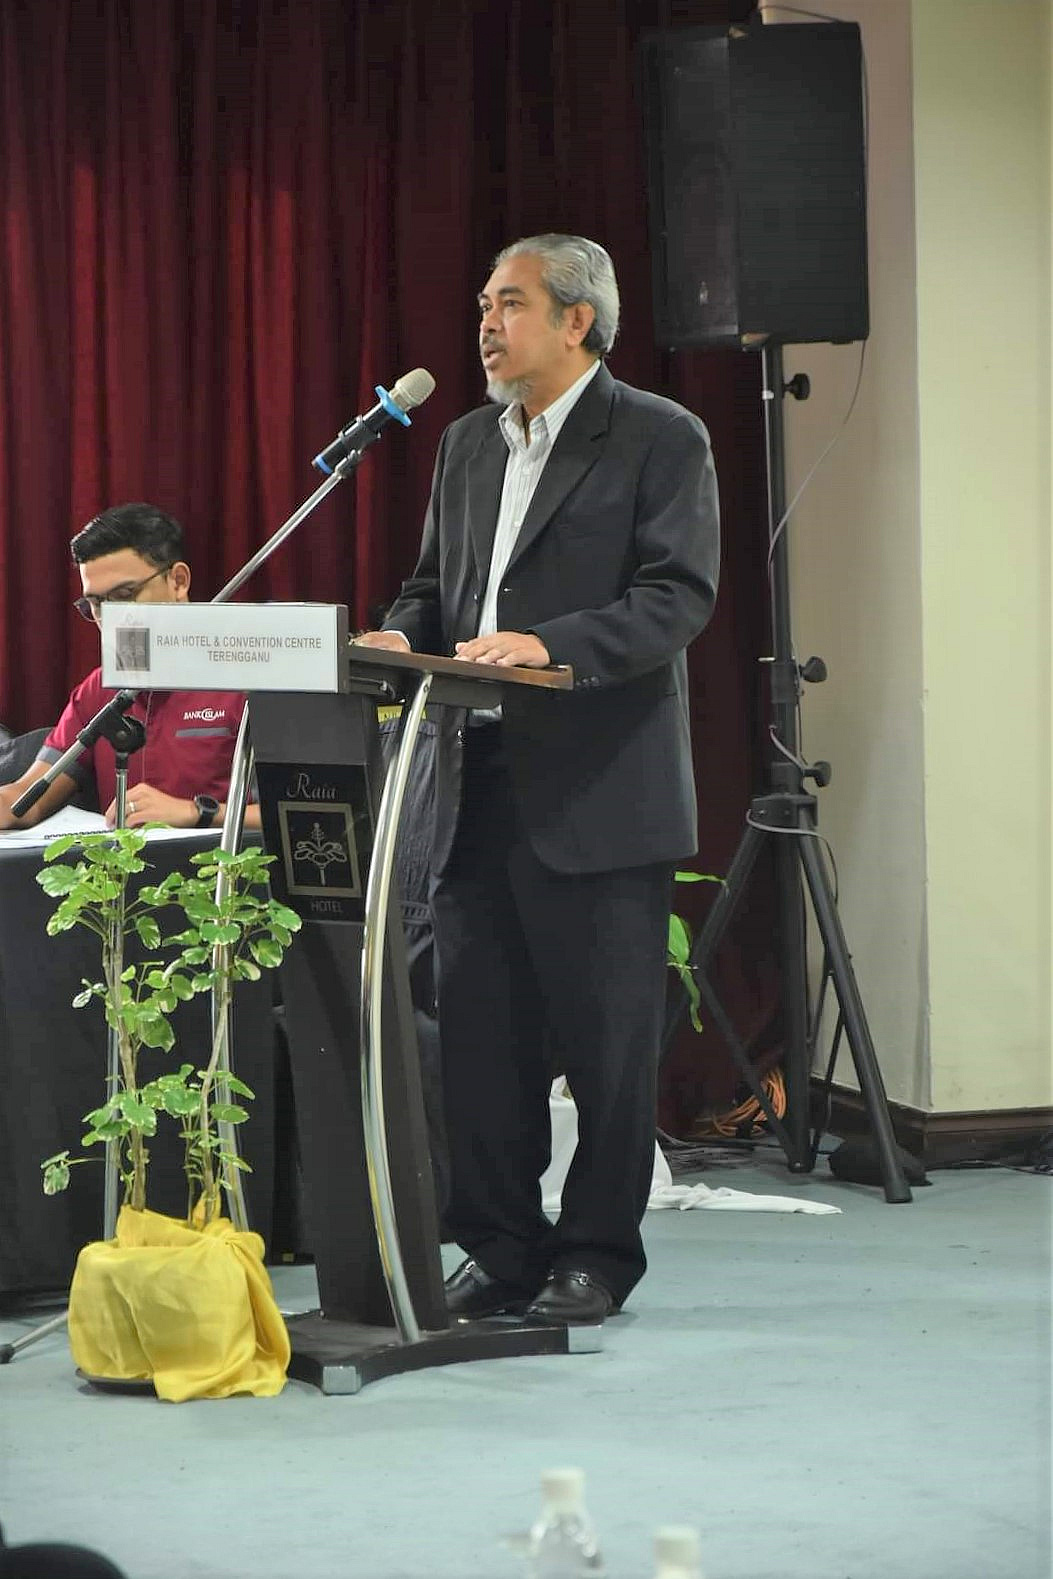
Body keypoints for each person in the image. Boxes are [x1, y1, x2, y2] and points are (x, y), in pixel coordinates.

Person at [356, 234, 719, 1324]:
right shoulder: (469, 442)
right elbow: (435, 589)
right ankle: (502, 1246)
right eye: (483, 303)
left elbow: (675, 594)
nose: (485, 323)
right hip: (471, 782)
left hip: (598, 790)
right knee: (481, 1042)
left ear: (576, 320)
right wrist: (398, 635)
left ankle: (594, 1256)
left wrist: (548, 645)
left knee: (606, 1048)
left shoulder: (658, 434)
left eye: (509, 303)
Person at [0, 503, 260, 833]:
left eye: (124, 595)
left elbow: (304, 815)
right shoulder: (99, 689)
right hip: (122, 866)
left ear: (178, 581)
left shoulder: (247, 678)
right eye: (96, 603)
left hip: (222, 863)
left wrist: (198, 812)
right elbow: (26, 799)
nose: (109, 618)